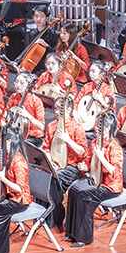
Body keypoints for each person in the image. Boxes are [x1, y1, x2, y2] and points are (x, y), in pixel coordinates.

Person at [64, 112, 122, 247]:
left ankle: (83, 238)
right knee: (74, 189)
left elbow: (116, 172)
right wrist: (84, 166)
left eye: (98, 126)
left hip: (110, 186)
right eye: (95, 126)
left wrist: (102, 158)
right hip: (97, 179)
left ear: (107, 129)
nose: (95, 129)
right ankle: (71, 232)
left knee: (84, 195)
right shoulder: (95, 142)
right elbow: (90, 164)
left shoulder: (114, 147)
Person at [42, 95, 88, 229]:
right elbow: (45, 148)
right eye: (55, 109)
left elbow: (83, 152)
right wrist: (50, 161)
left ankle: (57, 217)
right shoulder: (51, 126)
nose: (57, 112)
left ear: (69, 110)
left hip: (72, 166)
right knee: (43, 176)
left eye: (60, 110)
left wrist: (68, 139)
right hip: (55, 164)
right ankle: (46, 216)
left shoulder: (77, 128)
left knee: (54, 180)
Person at [4, 72, 45, 147]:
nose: (18, 85)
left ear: (28, 84)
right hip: (16, 132)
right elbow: (6, 113)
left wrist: (28, 116)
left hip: (33, 136)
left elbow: (41, 127)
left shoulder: (36, 101)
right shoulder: (13, 96)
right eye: (16, 81)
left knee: (15, 145)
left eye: (22, 83)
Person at [19, 4, 58, 73]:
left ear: (46, 18)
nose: (38, 19)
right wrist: (18, 62)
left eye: (42, 16)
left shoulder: (53, 34)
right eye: (36, 16)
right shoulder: (31, 34)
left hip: (46, 68)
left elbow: (57, 55)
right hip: (32, 67)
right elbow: (27, 52)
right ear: (33, 18)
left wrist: (47, 46)